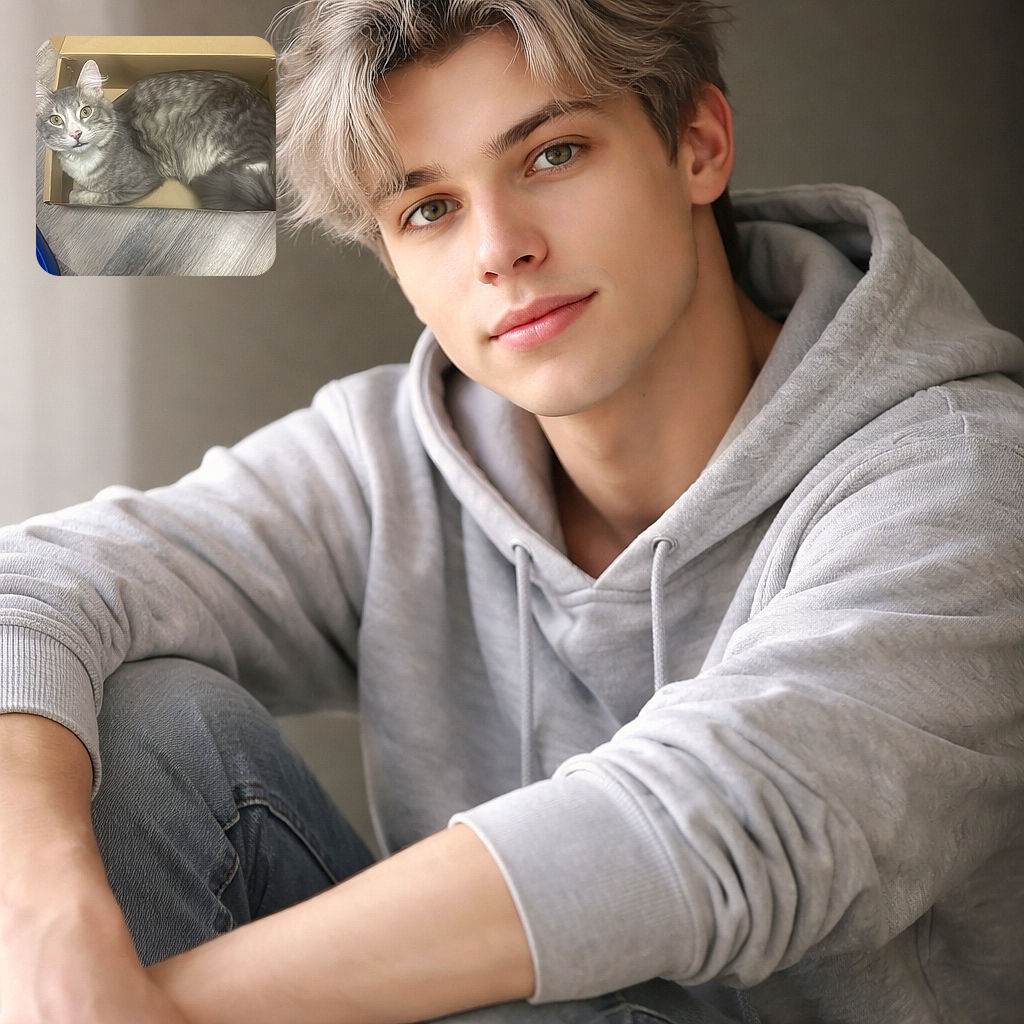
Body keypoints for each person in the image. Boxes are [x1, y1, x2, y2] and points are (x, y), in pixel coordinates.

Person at [2, 1, 1022, 1021]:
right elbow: (31, 589)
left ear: (698, 145)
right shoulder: (391, 459)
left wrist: (126, 1008)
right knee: (129, 725)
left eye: (553, 154)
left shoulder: (963, 480)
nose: (500, 248)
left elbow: (708, 827)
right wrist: (53, 924)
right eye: (427, 210)